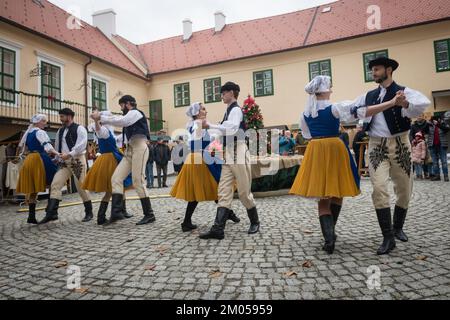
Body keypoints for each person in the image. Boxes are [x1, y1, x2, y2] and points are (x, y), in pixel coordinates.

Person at [289, 75, 402, 254]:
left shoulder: (305, 113)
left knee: (323, 198)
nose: (332, 90)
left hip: (316, 149)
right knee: (337, 191)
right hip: (334, 148)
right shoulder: (334, 108)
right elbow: (364, 111)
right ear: (324, 90)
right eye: (330, 88)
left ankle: (329, 238)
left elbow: (307, 134)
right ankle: (330, 235)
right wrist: (390, 103)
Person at [350, 57, 431, 255]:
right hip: (377, 145)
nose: (373, 73)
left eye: (377, 69)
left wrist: (405, 104)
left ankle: (398, 227)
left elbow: (422, 105)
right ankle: (388, 237)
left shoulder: (403, 91)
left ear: (389, 70)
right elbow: (353, 111)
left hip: (401, 143)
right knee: (378, 188)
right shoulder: (369, 95)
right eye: (372, 70)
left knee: (404, 189)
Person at [199, 82, 260, 240]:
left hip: (239, 151)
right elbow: (222, 133)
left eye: (223, 93)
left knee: (244, 192)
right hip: (228, 153)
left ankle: (255, 221)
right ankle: (218, 229)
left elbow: (232, 128)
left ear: (231, 93)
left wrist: (210, 125)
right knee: (224, 191)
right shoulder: (228, 111)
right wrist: (212, 147)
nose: (221, 96)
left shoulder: (236, 110)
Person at [170, 102, 240, 232]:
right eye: (203, 109)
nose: (205, 111)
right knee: (214, 187)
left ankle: (187, 222)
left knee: (210, 188)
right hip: (201, 159)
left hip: (199, 157)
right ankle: (227, 214)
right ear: (197, 113)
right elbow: (197, 142)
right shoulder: (198, 124)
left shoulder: (194, 124)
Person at [91, 95, 155, 225]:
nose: (121, 108)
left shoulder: (135, 113)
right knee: (116, 179)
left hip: (140, 148)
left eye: (121, 105)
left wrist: (101, 117)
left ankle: (149, 214)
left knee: (138, 181)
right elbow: (120, 123)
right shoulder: (128, 117)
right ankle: (116, 212)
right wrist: (99, 120)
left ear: (127, 104)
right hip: (130, 150)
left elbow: (123, 121)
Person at [40, 108, 93, 224]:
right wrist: (57, 158)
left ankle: (89, 212)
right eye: (60, 116)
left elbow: (81, 145)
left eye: (62, 117)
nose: (60, 119)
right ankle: (52, 214)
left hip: (76, 161)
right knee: (55, 184)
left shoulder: (80, 129)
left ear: (69, 116)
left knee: (81, 187)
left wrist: (69, 154)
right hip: (64, 162)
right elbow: (59, 147)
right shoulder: (60, 131)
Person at [82, 111, 133, 225]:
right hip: (109, 161)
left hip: (113, 158)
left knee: (120, 186)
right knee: (111, 189)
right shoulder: (104, 130)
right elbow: (99, 130)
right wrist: (96, 121)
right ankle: (102, 216)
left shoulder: (109, 131)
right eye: (109, 117)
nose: (111, 119)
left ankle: (120, 211)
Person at [17, 115, 58, 224]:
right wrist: (58, 154)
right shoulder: (40, 132)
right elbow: (48, 147)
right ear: (37, 122)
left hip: (30, 159)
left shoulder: (28, 133)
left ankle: (31, 216)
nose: (45, 123)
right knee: (53, 183)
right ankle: (51, 212)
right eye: (43, 121)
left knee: (34, 189)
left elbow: (24, 149)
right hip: (40, 158)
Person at [425, 116, 449, 181]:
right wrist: (427, 124)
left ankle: (446, 176)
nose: (434, 121)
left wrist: (438, 124)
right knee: (435, 162)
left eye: (436, 120)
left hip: (442, 145)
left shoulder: (443, 123)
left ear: (439, 119)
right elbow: (424, 131)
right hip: (432, 145)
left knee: (444, 161)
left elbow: (447, 129)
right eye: (433, 120)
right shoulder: (429, 125)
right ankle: (437, 176)